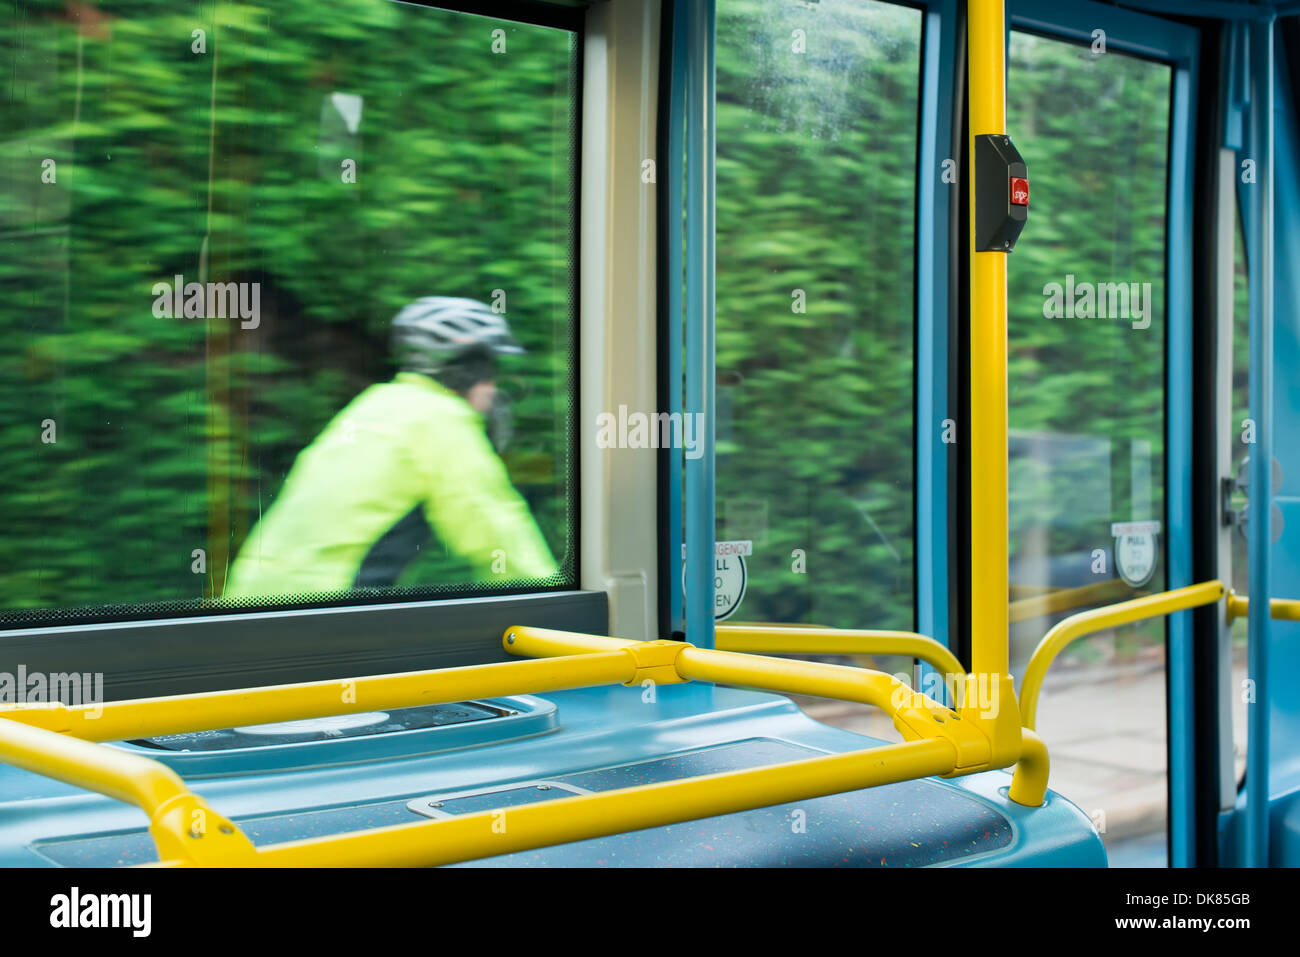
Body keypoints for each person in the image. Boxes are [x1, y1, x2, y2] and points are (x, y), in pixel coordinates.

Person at [224, 297, 559, 598]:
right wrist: (555, 613)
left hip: (249, 601)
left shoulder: (375, 403)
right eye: (492, 373)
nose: (494, 390)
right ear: (471, 371)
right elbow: (497, 533)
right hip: (325, 612)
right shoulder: (441, 420)